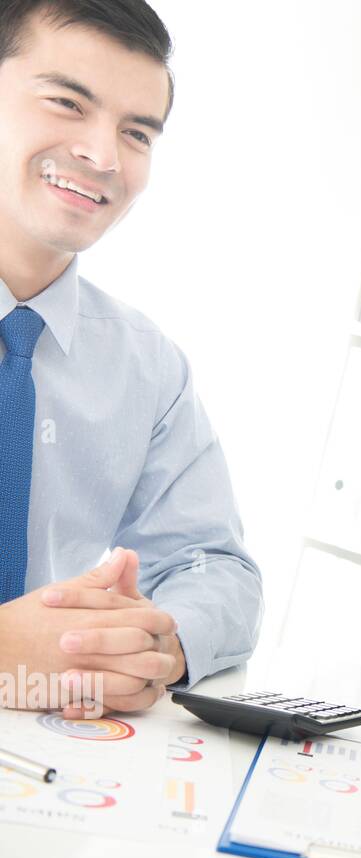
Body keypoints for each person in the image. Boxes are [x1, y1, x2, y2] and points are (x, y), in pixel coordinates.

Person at [0, 0, 262, 718]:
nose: (102, 156)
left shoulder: (146, 366)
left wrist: (148, 644)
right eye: (66, 103)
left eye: (136, 131)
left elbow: (219, 570)